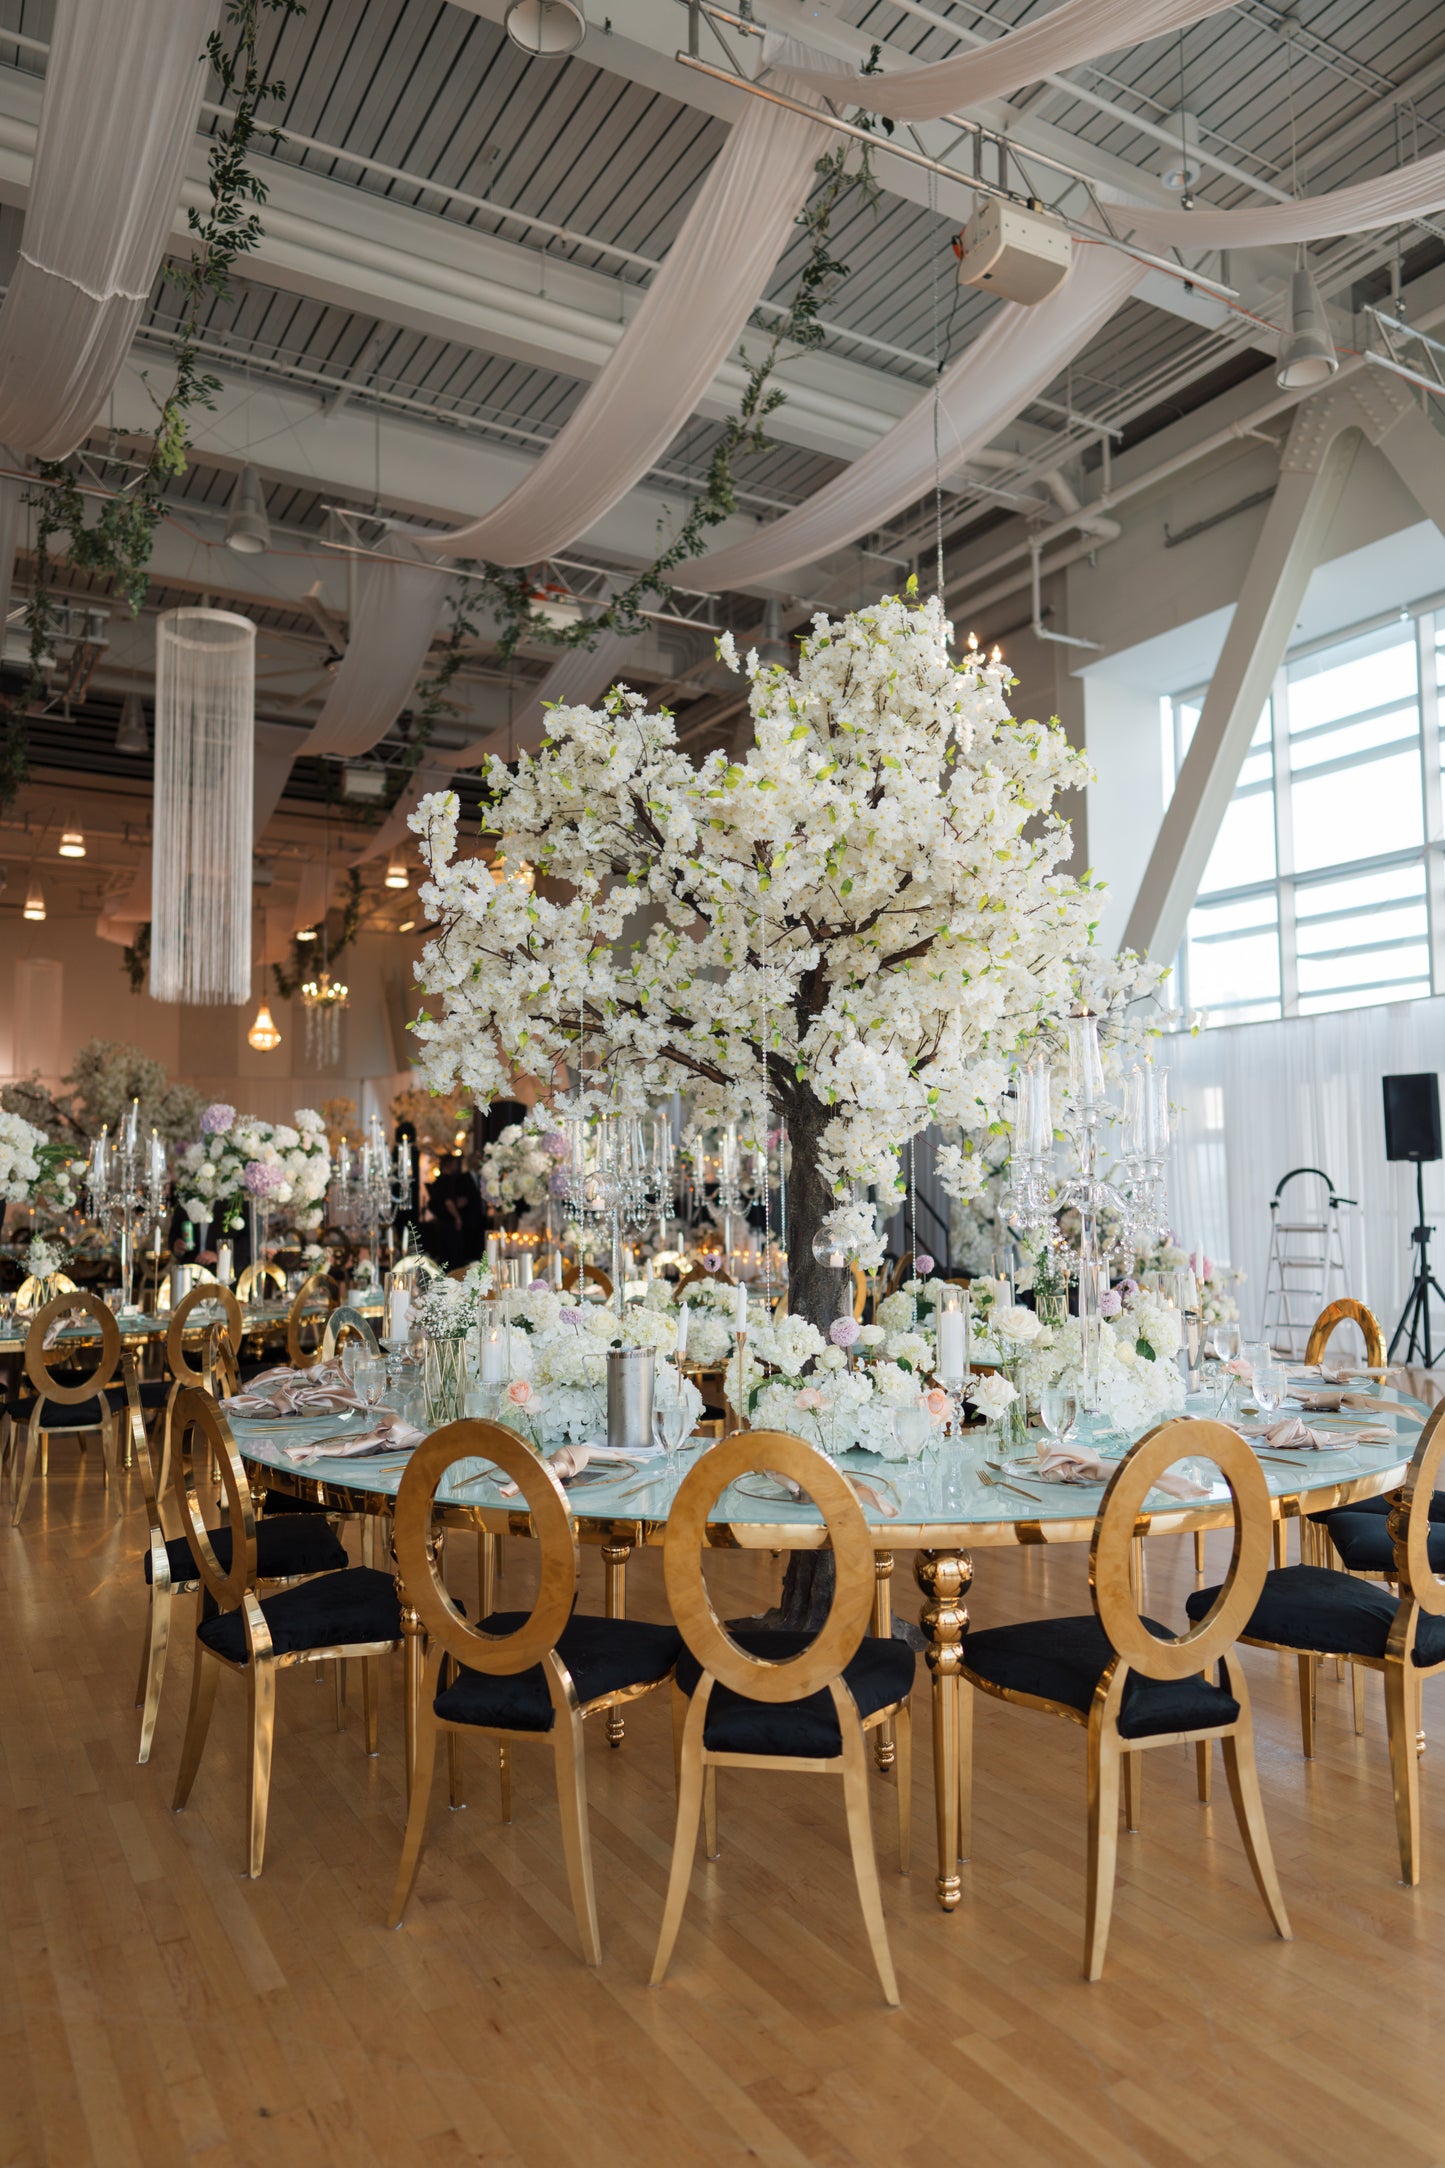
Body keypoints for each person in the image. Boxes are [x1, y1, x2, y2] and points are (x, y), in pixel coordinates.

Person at [419, 1153, 485, 1270]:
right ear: (449, 1164)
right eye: (454, 1163)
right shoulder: (447, 1180)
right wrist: (457, 1218)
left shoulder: (439, 1181)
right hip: (449, 1225)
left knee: (446, 1256)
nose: (456, 1166)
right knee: (453, 1255)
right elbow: (448, 1202)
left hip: (443, 1224)